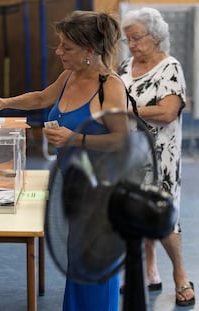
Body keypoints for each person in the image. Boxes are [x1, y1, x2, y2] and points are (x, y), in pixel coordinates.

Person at [0, 10, 127, 311]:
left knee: (95, 265)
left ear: (89, 51)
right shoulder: (68, 77)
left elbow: (122, 140)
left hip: (100, 190)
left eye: (67, 47)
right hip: (72, 184)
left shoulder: (110, 87)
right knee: (76, 259)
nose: (59, 51)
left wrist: (75, 138)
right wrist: (4, 103)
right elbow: (40, 99)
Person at [118, 7, 195, 307]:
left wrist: (129, 112)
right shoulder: (125, 66)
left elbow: (167, 112)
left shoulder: (170, 68)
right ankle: (150, 271)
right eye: (129, 39)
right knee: (135, 211)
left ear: (156, 36)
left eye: (137, 38)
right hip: (129, 153)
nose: (132, 45)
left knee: (164, 216)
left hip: (161, 154)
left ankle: (180, 274)